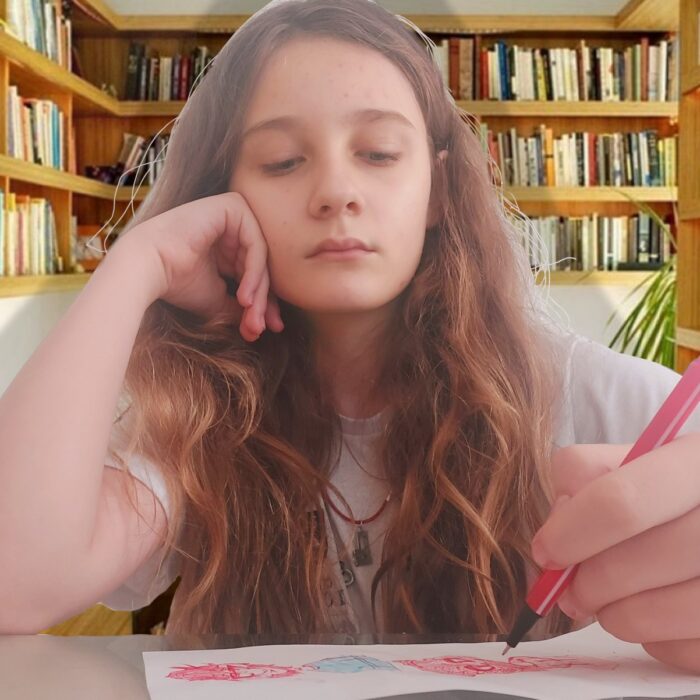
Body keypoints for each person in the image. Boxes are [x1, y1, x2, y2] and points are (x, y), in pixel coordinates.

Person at [1, 0, 699, 673]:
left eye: (379, 153)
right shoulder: (194, 408)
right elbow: (15, 582)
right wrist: (136, 265)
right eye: (282, 161)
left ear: (439, 191)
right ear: (221, 195)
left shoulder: (581, 394)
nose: (336, 191)